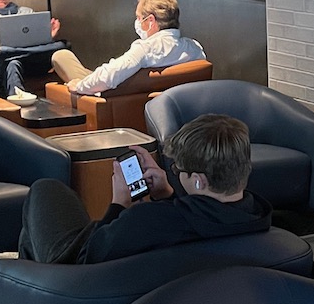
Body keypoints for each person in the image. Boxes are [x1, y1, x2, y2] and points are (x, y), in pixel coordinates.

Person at [18, 113, 272, 264]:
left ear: (199, 181)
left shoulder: (145, 222)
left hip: (75, 283)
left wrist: (118, 205)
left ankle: (28, 290)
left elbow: (89, 257)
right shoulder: (259, 217)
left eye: (178, 170)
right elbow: (202, 216)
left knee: (45, 191)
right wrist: (167, 195)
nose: (175, 173)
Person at [49, 0, 205, 95]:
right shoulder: (195, 49)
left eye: (138, 17)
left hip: (107, 96)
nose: (137, 22)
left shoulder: (145, 49)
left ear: (150, 20)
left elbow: (108, 77)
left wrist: (80, 86)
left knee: (61, 56)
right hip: (136, 95)